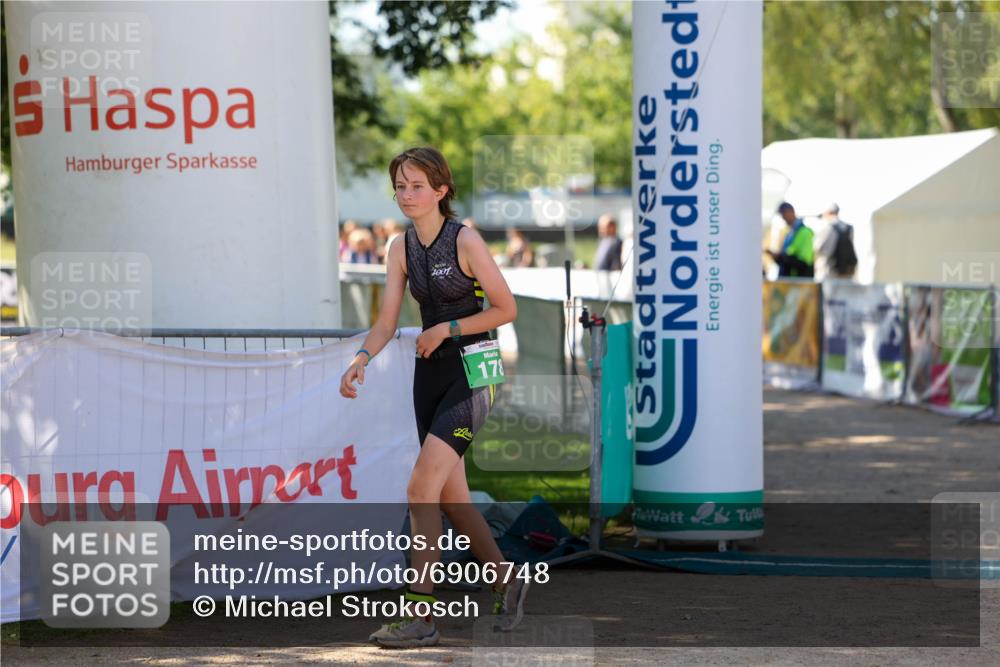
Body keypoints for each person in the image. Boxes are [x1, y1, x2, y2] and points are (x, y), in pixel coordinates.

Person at [340, 147, 527, 649]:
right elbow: (386, 322)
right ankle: (507, 579)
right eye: (400, 186)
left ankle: (420, 614)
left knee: (421, 486)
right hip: (431, 375)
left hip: (476, 372)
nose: (407, 195)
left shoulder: (464, 239)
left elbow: (506, 308)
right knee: (451, 498)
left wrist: (447, 327)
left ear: (442, 190)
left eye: (417, 185)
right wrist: (360, 358)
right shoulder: (398, 248)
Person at [766, 202, 814, 278]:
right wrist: (778, 258)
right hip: (789, 279)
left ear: (791, 212)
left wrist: (781, 257)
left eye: (784, 214)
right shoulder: (790, 232)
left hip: (797, 281)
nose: (783, 218)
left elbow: (805, 263)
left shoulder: (804, 232)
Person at [814, 203, 857, 280]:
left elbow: (817, 248)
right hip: (846, 272)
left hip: (828, 272)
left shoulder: (826, 227)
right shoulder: (848, 228)